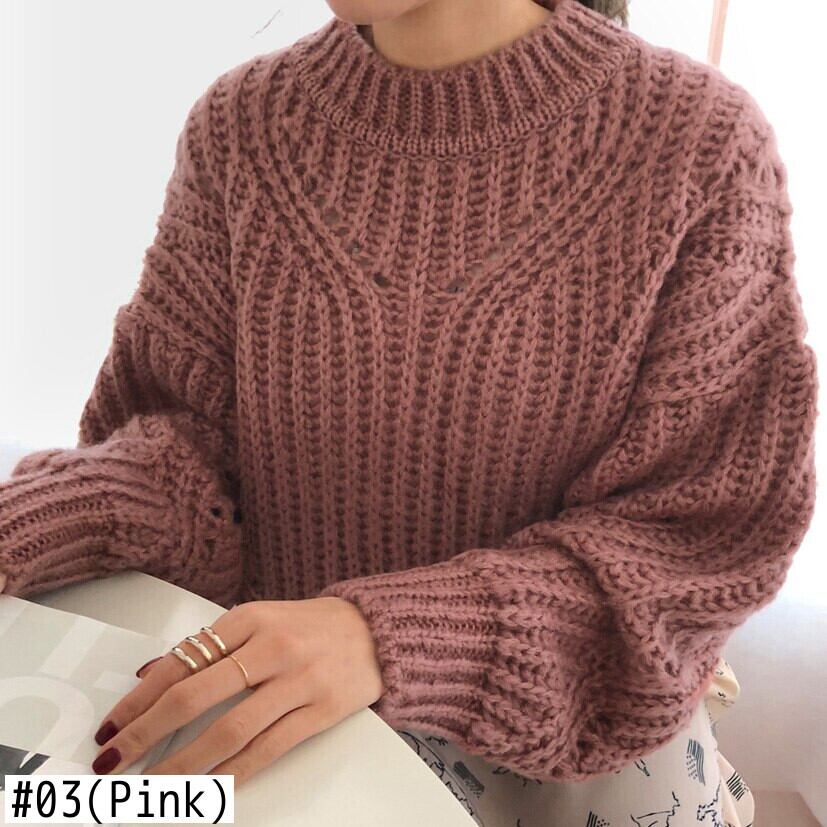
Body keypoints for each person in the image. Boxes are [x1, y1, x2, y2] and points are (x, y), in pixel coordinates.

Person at [0, 0, 816, 824]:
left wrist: (385, 637)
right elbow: (185, 457)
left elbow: (694, 542)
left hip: (573, 763)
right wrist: (21, 521)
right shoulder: (244, 127)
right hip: (282, 738)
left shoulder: (697, 143)